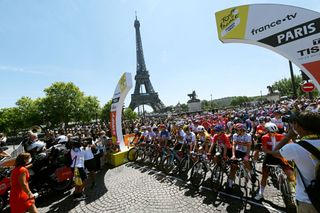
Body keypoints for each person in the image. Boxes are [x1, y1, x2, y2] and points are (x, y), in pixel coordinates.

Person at [268, 111, 320, 212]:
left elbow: (274, 152)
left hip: (309, 200)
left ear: (298, 126)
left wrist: (288, 136)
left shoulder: (294, 148)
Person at [254, 122, 295, 201]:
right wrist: (274, 153)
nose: (272, 134)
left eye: (273, 132)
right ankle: (260, 193)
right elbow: (264, 149)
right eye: (270, 132)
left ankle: (295, 191)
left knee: (290, 172)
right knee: (264, 176)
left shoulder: (282, 136)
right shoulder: (265, 137)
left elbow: (290, 143)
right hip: (270, 156)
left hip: (280, 156)